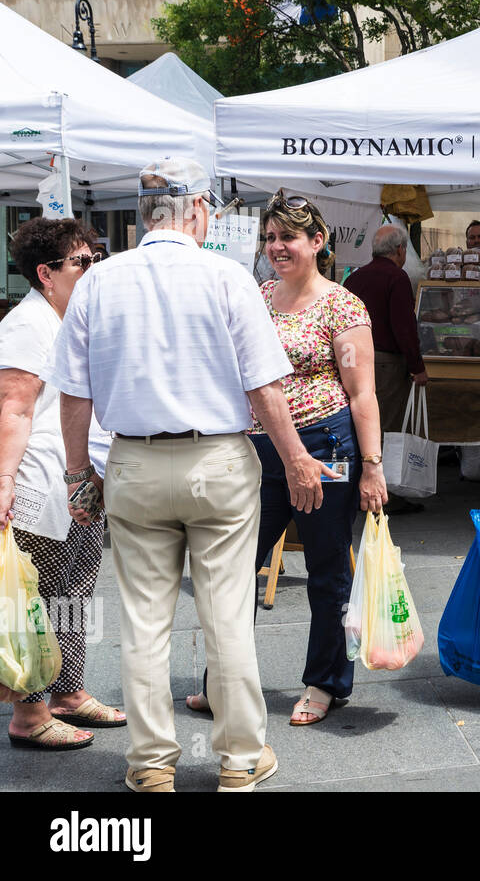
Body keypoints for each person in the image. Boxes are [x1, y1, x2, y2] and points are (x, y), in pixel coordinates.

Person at [46, 157, 330, 792]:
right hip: (218, 460)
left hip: (134, 462)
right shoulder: (227, 277)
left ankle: (150, 766)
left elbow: (72, 393)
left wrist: (75, 475)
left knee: (143, 621)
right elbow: (264, 387)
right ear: (198, 209)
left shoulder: (99, 280)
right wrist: (295, 458)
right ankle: (238, 758)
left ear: (147, 214)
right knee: (226, 614)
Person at [187, 190, 386, 725]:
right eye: (270, 237)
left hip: (327, 448)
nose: (276, 246)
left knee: (326, 570)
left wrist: (372, 465)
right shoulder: (260, 293)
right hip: (260, 451)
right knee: (232, 568)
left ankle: (325, 683)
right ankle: (226, 682)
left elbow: (362, 392)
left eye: (288, 237)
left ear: (317, 242)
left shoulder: (341, 305)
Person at [0, 218, 120, 750]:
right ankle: (29, 713)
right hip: (40, 483)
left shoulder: (71, 317)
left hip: (77, 479)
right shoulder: (27, 325)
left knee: (75, 593)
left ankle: (68, 691)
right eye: (82, 262)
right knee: (39, 598)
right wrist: (4, 481)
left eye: (95, 257)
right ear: (46, 273)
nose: (93, 268)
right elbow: (14, 408)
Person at [344, 223, 429, 515]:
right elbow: (403, 327)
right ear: (400, 250)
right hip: (386, 363)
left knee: (359, 424)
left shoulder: (355, 279)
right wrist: (417, 367)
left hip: (354, 361)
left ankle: (354, 487)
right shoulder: (397, 277)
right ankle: (384, 492)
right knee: (387, 428)